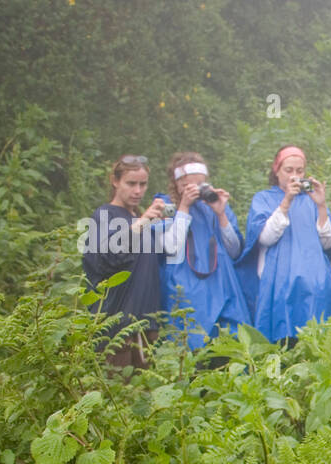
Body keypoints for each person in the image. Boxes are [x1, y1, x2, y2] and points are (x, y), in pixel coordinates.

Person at [242, 146, 331, 342]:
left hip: (315, 286)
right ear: (276, 170)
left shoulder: (312, 201)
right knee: (279, 341)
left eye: (299, 171)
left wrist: (322, 206)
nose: (294, 176)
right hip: (276, 286)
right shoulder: (263, 199)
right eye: (288, 170)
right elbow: (265, 238)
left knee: (316, 342)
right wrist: (287, 201)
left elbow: (327, 242)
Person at [157, 152, 252, 351]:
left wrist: (221, 214)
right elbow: (170, 247)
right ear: (177, 184)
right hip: (185, 287)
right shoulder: (165, 205)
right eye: (189, 185)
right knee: (190, 346)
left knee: (231, 348)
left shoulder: (213, 206)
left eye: (200, 184)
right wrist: (184, 207)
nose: (196, 191)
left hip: (222, 286)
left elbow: (235, 251)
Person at [80, 154, 167, 368]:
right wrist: (143, 221)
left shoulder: (139, 219)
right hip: (115, 327)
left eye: (143, 184)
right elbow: (106, 259)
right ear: (115, 181)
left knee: (144, 396)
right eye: (131, 183)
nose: (138, 191)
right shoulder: (104, 215)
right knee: (115, 395)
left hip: (146, 324)